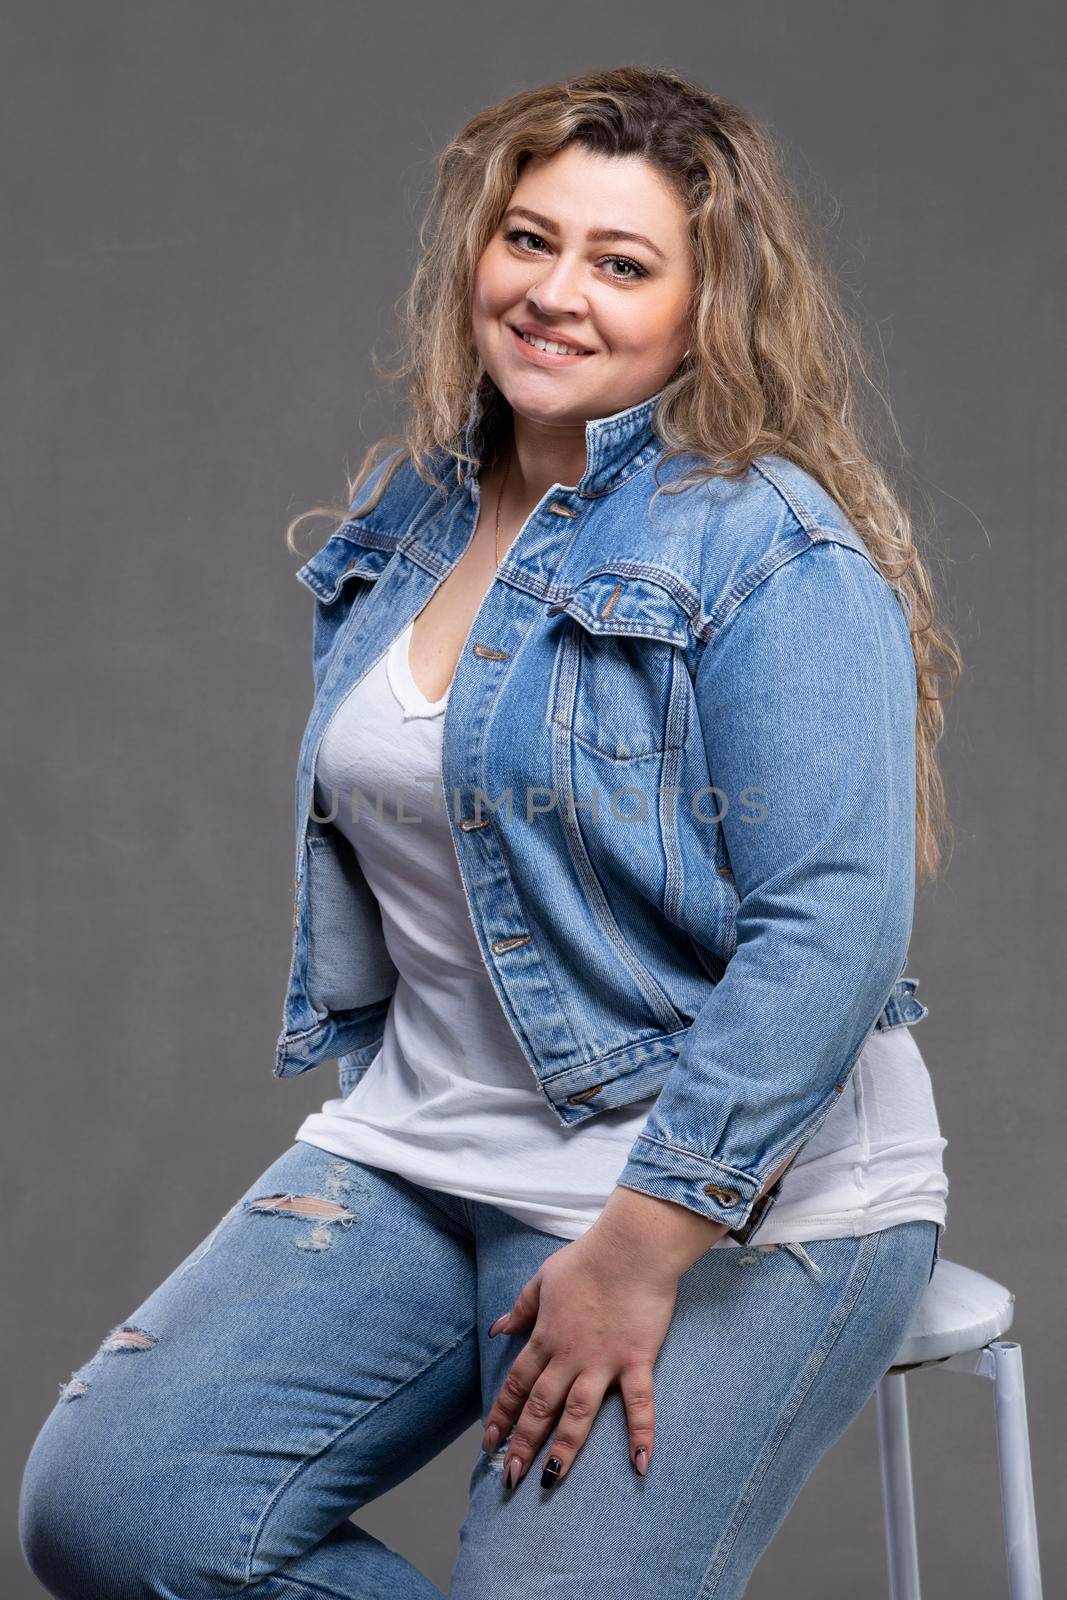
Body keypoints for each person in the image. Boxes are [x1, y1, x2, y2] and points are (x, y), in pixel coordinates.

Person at [20, 65, 959, 1600]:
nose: (555, 294)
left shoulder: (768, 545)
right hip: (431, 1145)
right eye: (530, 240)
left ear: (704, 309)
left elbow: (834, 928)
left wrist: (646, 1246)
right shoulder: (416, 517)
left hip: (734, 1193)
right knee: (122, 1511)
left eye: (622, 262)